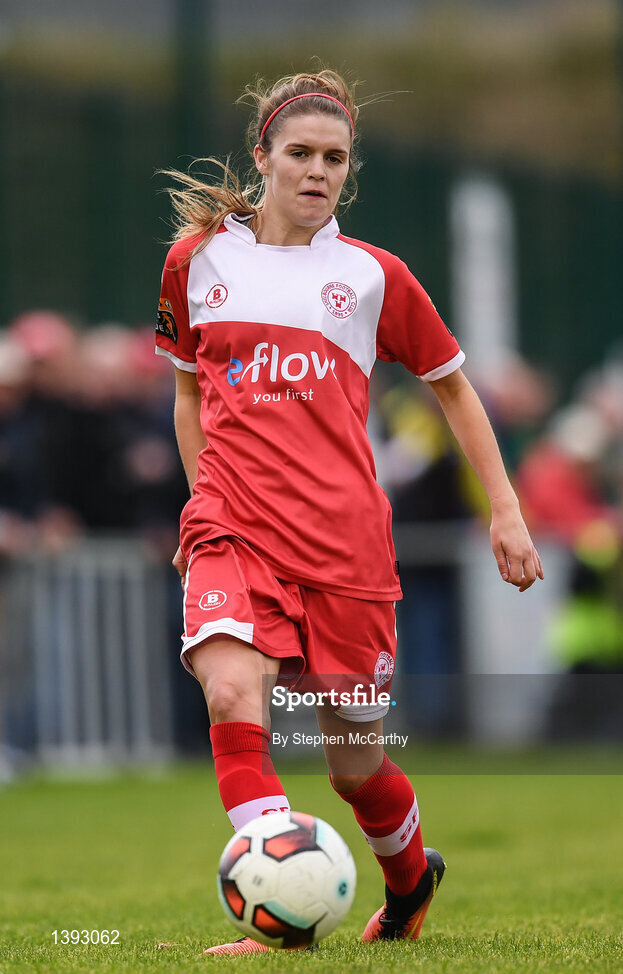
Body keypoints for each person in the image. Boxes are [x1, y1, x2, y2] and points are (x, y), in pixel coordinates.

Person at [155, 69, 543, 955]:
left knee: (353, 765)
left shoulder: (372, 277)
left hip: (346, 548)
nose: (316, 171)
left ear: (347, 170)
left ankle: (409, 883)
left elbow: (454, 392)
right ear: (262, 156)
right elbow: (187, 396)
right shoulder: (196, 262)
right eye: (298, 153)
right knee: (227, 690)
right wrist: (199, 502)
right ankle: (279, 912)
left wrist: (505, 511)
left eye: (333, 158)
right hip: (232, 525)